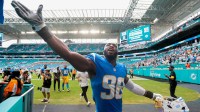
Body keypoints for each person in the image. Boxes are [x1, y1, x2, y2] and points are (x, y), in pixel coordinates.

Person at [11, 1, 163, 111]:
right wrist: (41, 28)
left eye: (114, 45)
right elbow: (68, 54)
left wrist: (153, 95)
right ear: (102, 52)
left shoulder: (122, 68)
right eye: (107, 45)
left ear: (118, 51)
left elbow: (132, 87)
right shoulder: (95, 62)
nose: (111, 46)